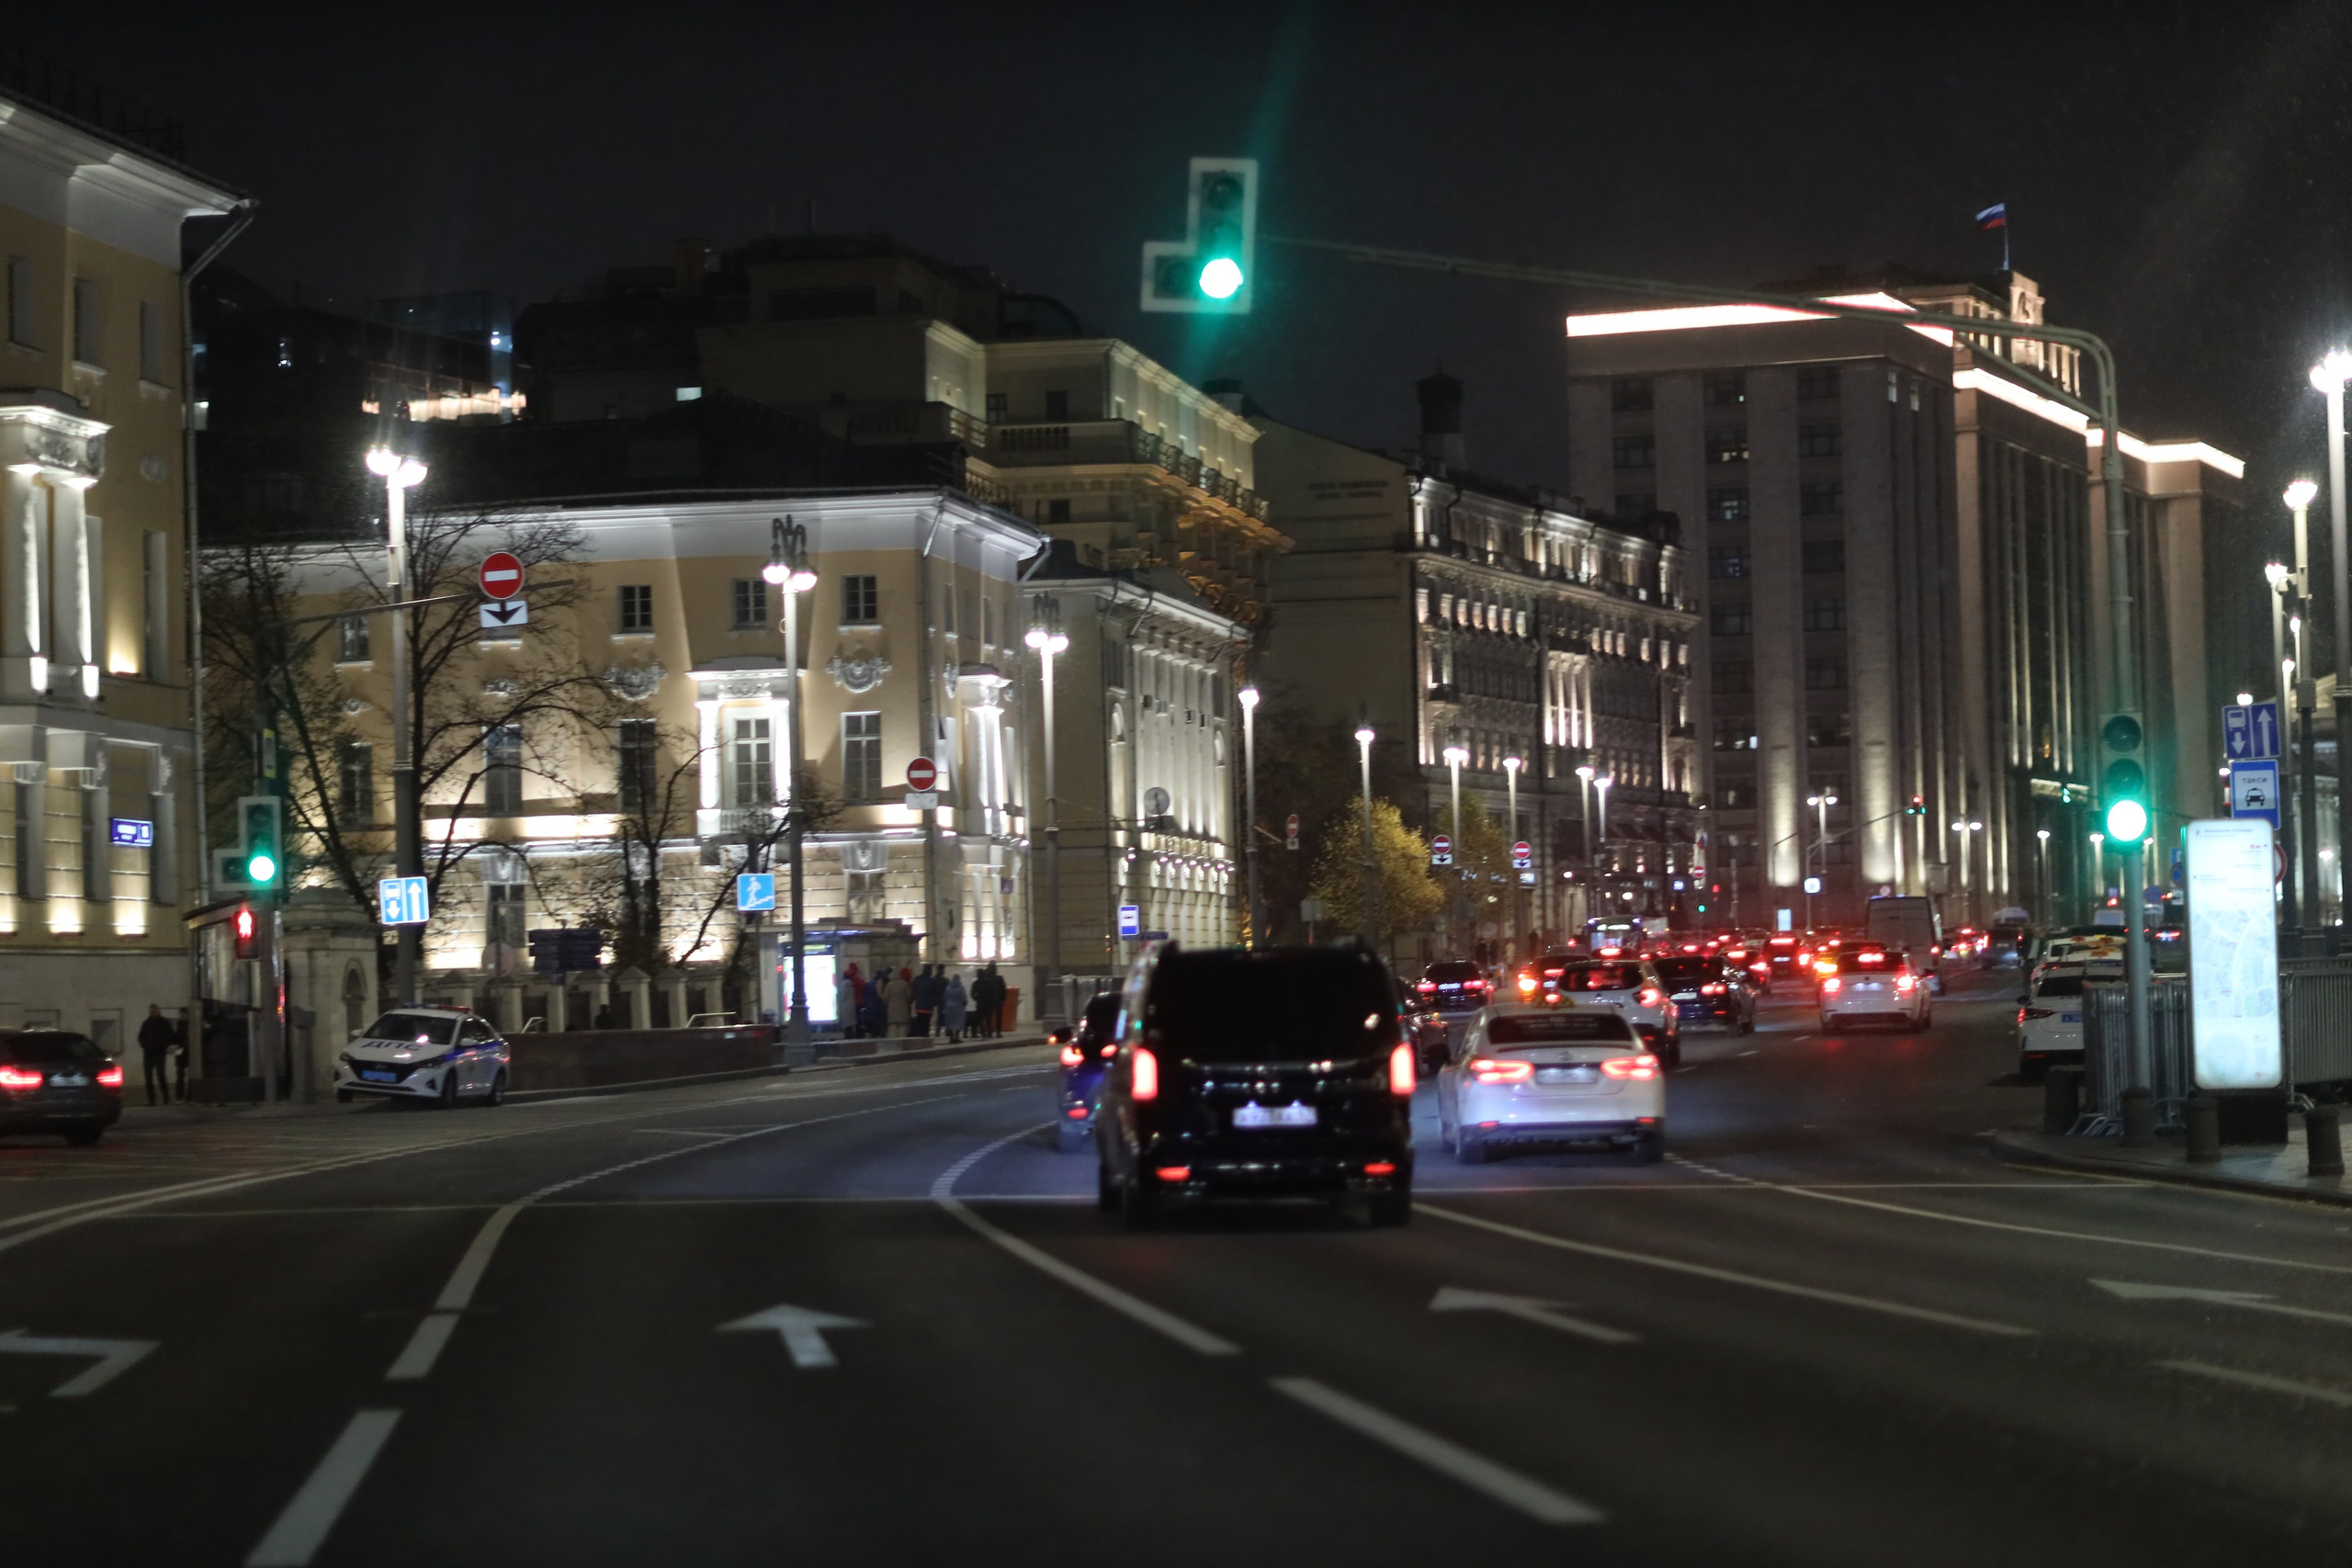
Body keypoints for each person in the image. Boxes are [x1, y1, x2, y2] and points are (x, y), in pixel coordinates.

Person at [136, 1003, 175, 1106]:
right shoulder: (146, 1023)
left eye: (154, 1011)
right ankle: (151, 1099)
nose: (152, 1013)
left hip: (160, 1053)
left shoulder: (164, 1023)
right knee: (148, 1077)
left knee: (160, 1075)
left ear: (158, 1011)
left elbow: (170, 1035)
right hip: (148, 1053)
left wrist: (163, 1045)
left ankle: (166, 1096)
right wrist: (145, 1045)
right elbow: (141, 1037)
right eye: (151, 1011)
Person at [884, 966, 914, 1038]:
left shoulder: (889, 985)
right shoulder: (905, 984)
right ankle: (903, 1045)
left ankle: (894, 1045)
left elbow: (885, 997)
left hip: (892, 1009)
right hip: (903, 1009)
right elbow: (909, 996)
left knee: (893, 1029)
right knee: (902, 1029)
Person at [910, 964, 938, 1040]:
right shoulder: (933, 981)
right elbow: (935, 994)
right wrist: (934, 1004)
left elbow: (913, 992)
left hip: (919, 1007)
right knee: (926, 1024)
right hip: (928, 1008)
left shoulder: (917, 979)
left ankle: (919, 1039)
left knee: (919, 1023)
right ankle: (925, 1038)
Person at [939, 971, 968, 1043]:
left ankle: (951, 1037)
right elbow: (964, 998)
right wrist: (964, 1004)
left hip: (949, 1007)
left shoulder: (948, 988)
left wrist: (945, 1006)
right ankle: (957, 1037)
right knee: (958, 1023)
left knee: (950, 1023)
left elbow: (945, 998)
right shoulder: (961, 988)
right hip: (959, 1007)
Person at [172, 1006, 192, 1100]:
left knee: (186, 1076)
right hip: (182, 1053)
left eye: (182, 1014)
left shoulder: (188, 1025)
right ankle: (181, 1096)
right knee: (180, 1075)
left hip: (186, 1052)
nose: (181, 1016)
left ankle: (186, 1096)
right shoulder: (180, 1025)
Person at [837, 964, 863, 1039]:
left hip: (846, 1006)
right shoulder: (851, 983)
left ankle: (848, 1037)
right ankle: (850, 1036)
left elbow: (843, 996)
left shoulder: (844, 984)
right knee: (850, 1024)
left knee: (847, 1025)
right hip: (851, 1005)